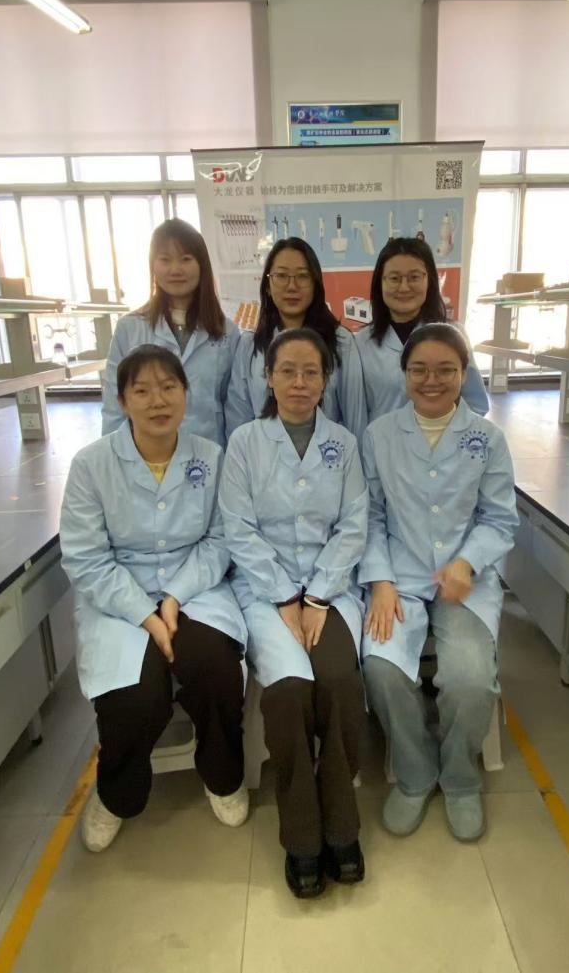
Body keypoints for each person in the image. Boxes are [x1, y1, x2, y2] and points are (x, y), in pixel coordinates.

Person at [61, 344, 249, 852]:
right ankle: (116, 796)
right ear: (122, 400)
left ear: (186, 394)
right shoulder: (91, 465)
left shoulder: (211, 457)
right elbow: (86, 558)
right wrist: (145, 614)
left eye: (168, 387)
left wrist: (174, 597)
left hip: (196, 589)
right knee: (134, 696)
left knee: (217, 670)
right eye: (141, 390)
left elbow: (221, 539)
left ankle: (223, 777)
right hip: (119, 599)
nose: (157, 401)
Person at [219, 328, 367, 899]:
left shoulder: (343, 444)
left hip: (329, 590)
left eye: (311, 372)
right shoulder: (244, 443)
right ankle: (303, 835)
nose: (299, 383)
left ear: (326, 380)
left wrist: (318, 596)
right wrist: (285, 597)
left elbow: (354, 526)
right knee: (287, 693)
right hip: (265, 592)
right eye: (288, 371)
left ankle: (342, 823)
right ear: (269, 377)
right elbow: (238, 528)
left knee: (339, 682)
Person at [359, 324, 517, 843]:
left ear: (464, 374)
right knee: (381, 667)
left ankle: (460, 778)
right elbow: (370, 517)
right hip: (400, 576)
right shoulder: (379, 435)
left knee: (470, 679)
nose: (432, 380)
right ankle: (414, 772)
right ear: (404, 374)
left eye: (446, 370)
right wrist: (380, 581)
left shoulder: (487, 440)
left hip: (466, 579)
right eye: (419, 369)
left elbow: (500, 519)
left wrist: (467, 562)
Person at [101, 218, 240, 447]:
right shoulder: (130, 328)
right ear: (153, 266)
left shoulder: (227, 332)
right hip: (145, 453)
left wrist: (235, 459)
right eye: (165, 260)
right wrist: (114, 457)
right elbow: (114, 405)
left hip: (209, 454)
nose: (175, 270)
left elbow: (234, 407)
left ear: (201, 265)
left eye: (186, 259)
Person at [225, 238, 366, 441]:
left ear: (315, 284)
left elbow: (355, 418)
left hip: (326, 456)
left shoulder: (340, 341)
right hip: (263, 457)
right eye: (281, 276)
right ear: (267, 285)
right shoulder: (250, 344)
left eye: (302, 276)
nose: (292, 286)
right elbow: (238, 418)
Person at [354, 237, 489, 423]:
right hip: (380, 441)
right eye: (394, 278)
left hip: (441, 441)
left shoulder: (454, 335)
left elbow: (476, 404)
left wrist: (452, 437)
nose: (404, 287)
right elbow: (355, 412)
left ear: (429, 280)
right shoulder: (360, 343)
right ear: (380, 283)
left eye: (414, 277)